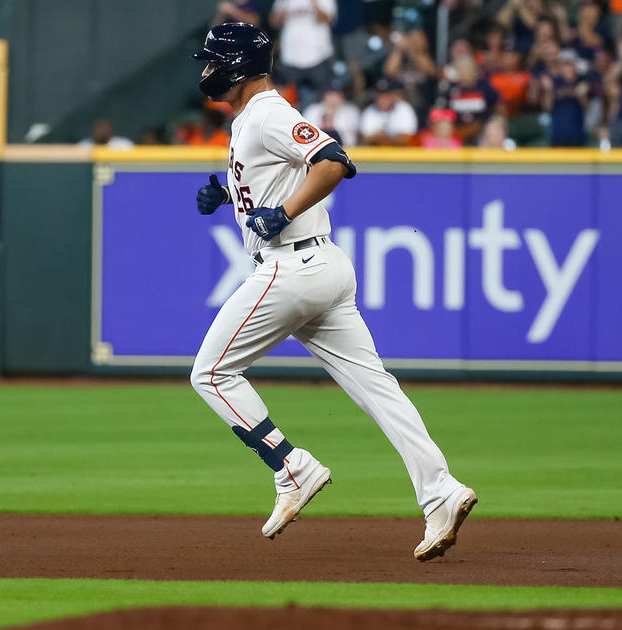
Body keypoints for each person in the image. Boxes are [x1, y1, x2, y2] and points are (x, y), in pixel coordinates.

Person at [190, 21, 476, 562]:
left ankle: (291, 466)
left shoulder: (270, 111)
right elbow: (275, 179)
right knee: (379, 389)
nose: (206, 72)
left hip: (291, 268)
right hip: (321, 266)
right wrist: (230, 195)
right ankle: (441, 490)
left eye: (212, 62)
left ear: (237, 67)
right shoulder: (254, 117)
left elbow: (333, 161)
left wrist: (284, 211)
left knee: (211, 372)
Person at [271, 0, 338, 108]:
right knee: (287, 104)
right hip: (291, 58)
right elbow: (275, 22)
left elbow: (326, 19)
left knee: (325, 100)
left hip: (318, 57)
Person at [359, 78, 420, 146]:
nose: (381, 99)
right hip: (375, 155)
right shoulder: (370, 110)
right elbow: (365, 138)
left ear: (394, 95)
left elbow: (407, 138)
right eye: (379, 95)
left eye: (386, 95)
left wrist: (380, 137)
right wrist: (393, 138)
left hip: (400, 154)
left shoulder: (404, 109)